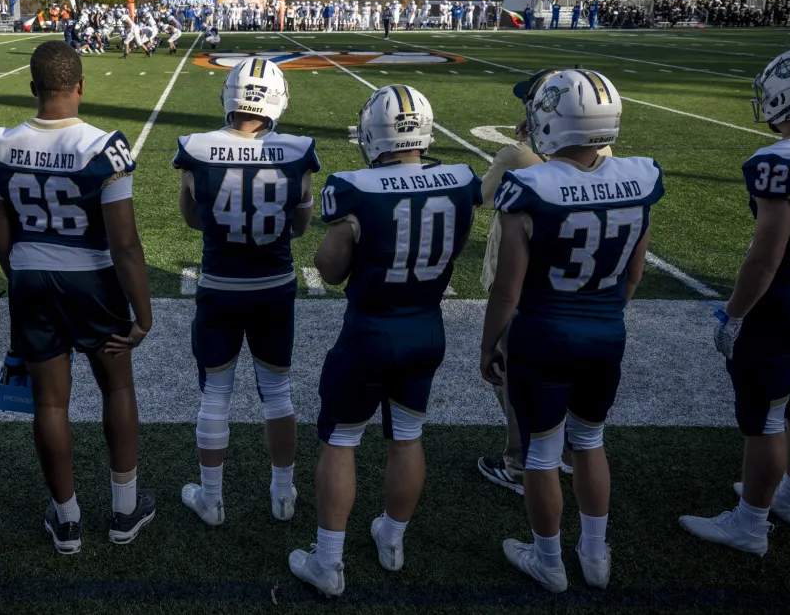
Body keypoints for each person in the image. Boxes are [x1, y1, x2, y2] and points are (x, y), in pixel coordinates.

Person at [288, 85, 480, 597]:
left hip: (371, 330)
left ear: (374, 133)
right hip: (427, 328)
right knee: (407, 437)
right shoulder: (461, 180)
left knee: (342, 439)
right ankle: (392, 539)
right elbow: (457, 244)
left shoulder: (355, 186)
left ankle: (328, 562)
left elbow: (329, 270)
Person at [480, 69, 663, 593]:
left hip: (542, 332)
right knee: (589, 441)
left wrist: (488, 343)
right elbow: (633, 274)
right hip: (605, 332)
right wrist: (604, 314)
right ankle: (594, 553)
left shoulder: (530, 184)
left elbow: (508, 291)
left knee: (540, 452)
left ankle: (549, 562)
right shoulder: (641, 176)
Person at [0, 41, 156, 555]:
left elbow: (0, 236)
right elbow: (124, 243)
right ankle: (124, 511)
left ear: (32, 88)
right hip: (94, 281)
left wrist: (25, 278)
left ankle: (67, 520)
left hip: (31, 276)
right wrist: (142, 315)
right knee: (117, 390)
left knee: (50, 402)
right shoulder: (102, 147)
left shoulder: (1, 145)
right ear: (81, 85)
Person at [680, 48, 790, 555]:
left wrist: (734, 313)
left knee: (767, 420)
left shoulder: (779, 161)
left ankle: (750, 524)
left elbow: (764, 257)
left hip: (778, 305)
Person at [174, 59, 319, 528]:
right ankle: (282, 494)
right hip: (274, 286)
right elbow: (299, 225)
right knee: (277, 392)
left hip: (219, 285)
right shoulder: (297, 152)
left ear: (230, 97)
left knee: (216, 394)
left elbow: (192, 218)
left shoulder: (196, 149)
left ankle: (212, 500)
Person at [475, 70, 612, 494]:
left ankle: (519, 463)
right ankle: (565, 454)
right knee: (573, 392)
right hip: (588, 295)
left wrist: (523, 144)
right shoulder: (607, 154)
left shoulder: (517, 158)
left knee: (513, 377)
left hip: (528, 294)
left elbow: (483, 198)